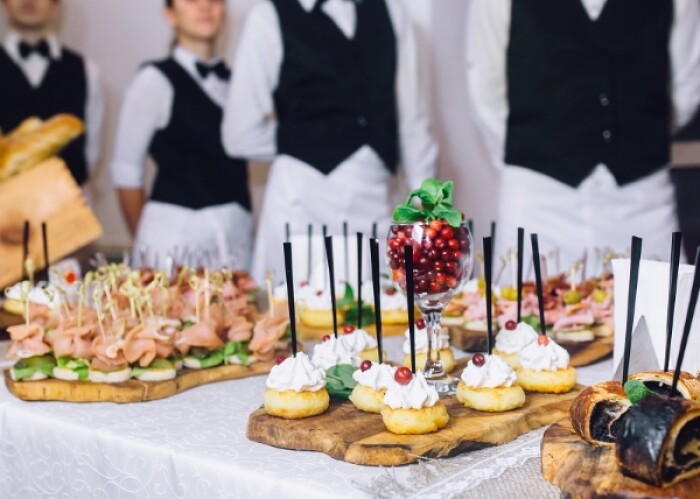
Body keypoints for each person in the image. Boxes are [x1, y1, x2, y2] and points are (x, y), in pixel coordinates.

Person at [466, 0, 700, 266]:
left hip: (644, 202)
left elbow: (687, 86)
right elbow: (486, 94)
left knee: (661, 304)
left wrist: (638, 137)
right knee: (526, 305)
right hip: (538, 204)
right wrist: (536, 150)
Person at [222, 0, 437, 282]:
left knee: (382, 313)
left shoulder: (392, 15)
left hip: (375, 198)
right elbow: (239, 135)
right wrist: (309, 138)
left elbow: (413, 123)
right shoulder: (269, 17)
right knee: (300, 313)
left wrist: (428, 210)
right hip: (303, 203)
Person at [111, 0, 252, 270]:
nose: (205, 6)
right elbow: (126, 171)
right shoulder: (154, 79)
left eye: (214, 0)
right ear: (170, 14)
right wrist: (147, 243)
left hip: (235, 240)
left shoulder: (239, 81)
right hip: (175, 238)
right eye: (190, 0)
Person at [0, 0, 103, 186]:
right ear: (4, 3)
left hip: (69, 204)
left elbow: (91, 151)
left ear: (56, 5)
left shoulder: (86, 70)